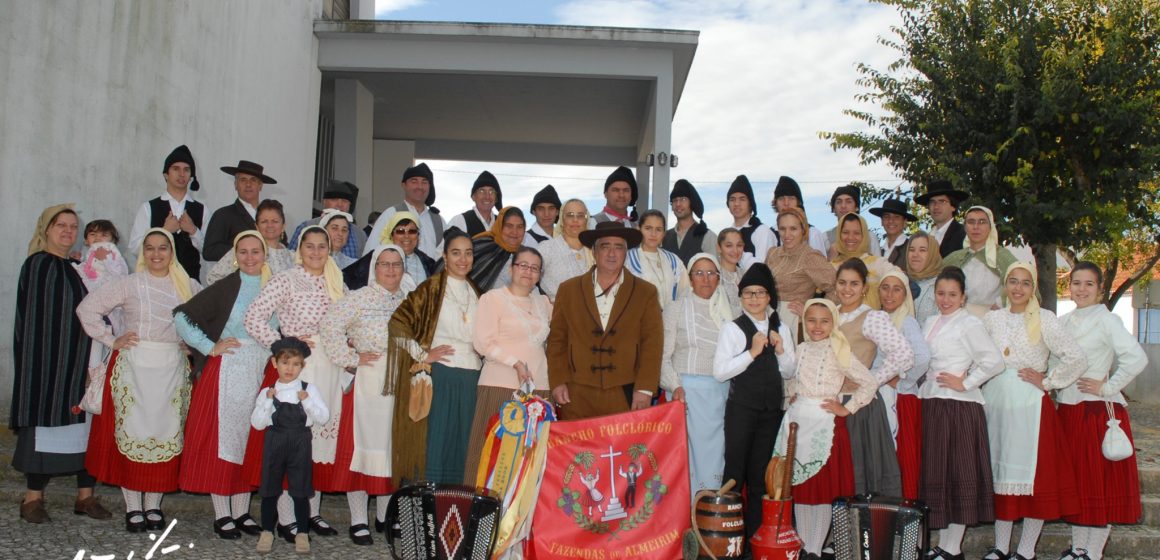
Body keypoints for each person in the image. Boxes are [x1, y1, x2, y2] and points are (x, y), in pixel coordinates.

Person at [78, 228, 201, 533]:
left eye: (163, 248)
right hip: (134, 368)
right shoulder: (129, 284)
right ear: (142, 252)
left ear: (172, 252)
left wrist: (190, 344)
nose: (157, 254)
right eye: (150, 248)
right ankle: (133, 507)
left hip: (171, 370)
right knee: (131, 436)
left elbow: (207, 320)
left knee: (165, 435)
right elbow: (87, 308)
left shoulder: (188, 286)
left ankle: (153, 506)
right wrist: (111, 339)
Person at [243, 225, 346, 540]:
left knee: (319, 444)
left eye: (322, 246)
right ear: (299, 249)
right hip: (298, 369)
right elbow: (253, 317)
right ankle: (287, 519)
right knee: (294, 442)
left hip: (328, 366)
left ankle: (311, 514)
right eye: (310, 246)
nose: (316, 252)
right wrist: (284, 346)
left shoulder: (336, 281)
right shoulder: (286, 279)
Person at [11, 205, 111, 524]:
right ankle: (32, 499)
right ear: (47, 229)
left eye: (72, 226)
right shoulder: (38, 264)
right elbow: (37, 320)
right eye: (60, 225)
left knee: (85, 430)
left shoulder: (79, 268)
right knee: (43, 428)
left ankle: (85, 497)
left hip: (82, 361)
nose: (67, 231)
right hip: (47, 365)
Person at [981, 262, 1086, 560]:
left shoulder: (1045, 319)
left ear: (1033, 287)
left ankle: (1026, 550)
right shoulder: (992, 319)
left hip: (1029, 406)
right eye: (1012, 281)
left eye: (1025, 283)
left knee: (1033, 481)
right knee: (999, 474)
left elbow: (1076, 357)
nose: (1018, 288)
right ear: (1005, 285)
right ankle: (1001, 547)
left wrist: (1049, 381)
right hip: (996, 403)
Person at [174, 231, 272, 539]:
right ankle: (223, 514)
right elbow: (182, 317)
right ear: (235, 255)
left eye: (255, 251)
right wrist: (208, 345)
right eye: (243, 252)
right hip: (230, 366)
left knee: (250, 441)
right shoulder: (227, 286)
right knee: (224, 441)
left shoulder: (276, 286)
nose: (249, 257)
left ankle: (242, 511)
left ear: (264, 254)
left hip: (263, 368)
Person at [320, 244, 414, 544]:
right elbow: (329, 326)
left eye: (396, 264)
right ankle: (358, 519)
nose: (390, 270)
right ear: (374, 268)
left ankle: (385, 516)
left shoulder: (410, 302)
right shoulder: (358, 298)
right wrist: (350, 358)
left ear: (403, 268)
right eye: (384, 264)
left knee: (392, 449)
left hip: (400, 383)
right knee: (361, 452)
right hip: (368, 384)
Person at [1057, 262, 1148, 560]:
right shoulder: (1065, 321)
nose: (1081, 289)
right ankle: (1078, 548)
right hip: (1068, 412)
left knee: (1099, 485)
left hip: (1096, 413)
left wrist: (1108, 387)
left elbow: (1136, 358)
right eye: (1076, 283)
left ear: (1099, 290)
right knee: (1078, 485)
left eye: (1089, 284)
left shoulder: (1107, 320)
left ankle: (1092, 553)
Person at [772, 298, 874, 560]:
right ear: (804, 321)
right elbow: (793, 379)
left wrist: (846, 408)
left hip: (824, 425)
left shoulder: (838, 350)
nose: (817, 326)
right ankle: (805, 545)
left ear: (833, 324)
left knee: (822, 491)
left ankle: (815, 548)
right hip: (797, 423)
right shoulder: (802, 348)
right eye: (812, 320)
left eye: (824, 321)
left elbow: (869, 382)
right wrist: (791, 395)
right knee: (802, 489)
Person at [919, 266, 1005, 560]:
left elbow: (993, 361)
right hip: (932, 403)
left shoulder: (969, 323)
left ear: (963, 296)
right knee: (938, 475)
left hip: (958, 407)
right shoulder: (930, 320)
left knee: (957, 474)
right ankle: (942, 545)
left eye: (952, 294)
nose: (945, 299)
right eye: (941, 293)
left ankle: (952, 547)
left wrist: (964, 382)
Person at [385, 230, 482, 485]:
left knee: (465, 445)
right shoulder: (431, 288)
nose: (463, 259)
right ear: (445, 256)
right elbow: (397, 323)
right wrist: (422, 354)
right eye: (456, 253)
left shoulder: (477, 291)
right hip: (442, 375)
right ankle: (431, 512)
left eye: (468, 253)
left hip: (472, 377)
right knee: (438, 442)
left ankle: (457, 509)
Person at [713, 263, 796, 547]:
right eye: (748, 293)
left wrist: (782, 350)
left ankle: (756, 540)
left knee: (762, 476)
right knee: (735, 473)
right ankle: (727, 540)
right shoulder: (733, 329)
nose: (754, 298)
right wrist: (751, 352)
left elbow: (789, 371)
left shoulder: (781, 327)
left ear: (769, 296)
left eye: (760, 292)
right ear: (741, 296)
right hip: (741, 410)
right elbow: (720, 371)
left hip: (771, 411)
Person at [547, 222, 662, 420]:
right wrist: (558, 381)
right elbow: (557, 340)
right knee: (578, 451)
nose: (612, 253)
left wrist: (644, 388)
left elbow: (652, 344)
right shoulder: (568, 290)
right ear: (593, 251)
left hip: (624, 392)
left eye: (618, 247)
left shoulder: (646, 292)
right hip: (576, 393)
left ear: (626, 253)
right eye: (605, 246)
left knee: (623, 450)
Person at [465, 246, 554, 484]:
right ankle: (485, 514)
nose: (528, 272)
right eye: (523, 265)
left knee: (531, 460)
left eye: (535, 268)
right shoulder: (492, 299)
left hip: (539, 390)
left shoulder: (544, 303)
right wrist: (515, 363)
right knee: (493, 457)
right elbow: (483, 343)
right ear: (512, 268)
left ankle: (523, 519)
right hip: (500, 386)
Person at [833, 258, 914, 497]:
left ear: (864, 288)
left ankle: (868, 533)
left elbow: (904, 354)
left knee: (861, 473)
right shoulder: (830, 314)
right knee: (839, 476)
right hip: (832, 402)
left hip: (861, 406)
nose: (847, 289)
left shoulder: (871, 318)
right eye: (842, 283)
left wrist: (872, 381)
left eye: (854, 284)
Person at [661, 253, 733, 494]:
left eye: (711, 273)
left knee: (719, 454)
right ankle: (689, 515)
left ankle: (712, 513)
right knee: (690, 457)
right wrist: (675, 386)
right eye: (699, 273)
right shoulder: (676, 308)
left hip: (722, 394)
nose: (706, 279)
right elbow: (663, 355)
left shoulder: (730, 310)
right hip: (687, 394)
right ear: (690, 278)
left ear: (719, 278)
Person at [251, 337, 329, 555]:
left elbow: (323, 417)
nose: (290, 368)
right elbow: (257, 424)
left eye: (295, 364)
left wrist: (307, 401)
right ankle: (267, 531)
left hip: (300, 442)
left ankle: (302, 533)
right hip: (274, 441)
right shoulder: (268, 390)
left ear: (302, 366)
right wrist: (267, 401)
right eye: (285, 363)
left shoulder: (309, 389)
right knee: (269, 489)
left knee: (300, 489)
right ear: (275, 363)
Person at [875, 271, 931, 501]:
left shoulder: (906, 320)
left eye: (896, 289)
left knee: (900, 459)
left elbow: (923, 356)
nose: (889, 294)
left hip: (899, 399)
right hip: (879, 395)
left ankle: (901, 517)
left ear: (905, 293)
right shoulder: (876, 317)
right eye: (885, 287)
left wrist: (903, 380)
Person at [129, 145, 204, 279]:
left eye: (186, 170)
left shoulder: (202, 209)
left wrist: (193, 231)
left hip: (191, 282)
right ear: (166, 174)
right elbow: (135, 248)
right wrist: (164, 231)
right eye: (176, 169)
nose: (181, 174)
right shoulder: (148, 207)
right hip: (155, 282)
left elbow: (207, 251)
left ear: (191, 175)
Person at [764, 207, 836, 338]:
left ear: (803, 230)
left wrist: (813, 313)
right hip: (768, 320)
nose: (787, 234)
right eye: (782, 229)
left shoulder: (810, 256)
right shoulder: (772, 253)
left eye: (793, 229)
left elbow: (836, 287)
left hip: (795, 325)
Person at [942, 206, 1018, 317]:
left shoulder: (1002, 256)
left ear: (990, 226)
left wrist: (999, 303)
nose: (976, 227)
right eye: (971, 222)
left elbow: (1022, 282)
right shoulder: (954, 258)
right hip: (958, 320)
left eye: (982, 222)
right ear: (965, 227)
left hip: (994, 319)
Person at [365, 163, 445, 258]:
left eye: (424, 182)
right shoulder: (391, 215)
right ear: (403, 185)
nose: (420, 186)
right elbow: (370, 254)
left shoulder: (438, 221)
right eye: (414, 181)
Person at [202, 160, 277, 262]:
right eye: (243, 180)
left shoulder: (272, 215)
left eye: (253, 180)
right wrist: (244, 251)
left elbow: (283, 244)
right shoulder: (223, 215)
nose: (248, 184)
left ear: (260, 185)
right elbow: (209, 251)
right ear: (235, 184)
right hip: (236, 275)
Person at [207, 199, 295, 285]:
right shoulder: (243, 251)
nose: (270, 225)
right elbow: (213, 277)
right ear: (256, 226)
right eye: (264, 221)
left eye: (275, 221)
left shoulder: (293, 257)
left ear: (283, 226)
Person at [345, 210, 438, 290]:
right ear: (391, 235)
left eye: (412, 231)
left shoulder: (429, 263)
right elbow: (345, 278)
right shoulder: (375, 257)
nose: (406, 236)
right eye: (400, 231)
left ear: (418, 236)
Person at [830, 213, 900, 309]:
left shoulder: (877, 264)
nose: (850, 237)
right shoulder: (831, 267)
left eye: (857, 233)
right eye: (845, 232)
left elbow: (901, 281)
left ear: (864, 236)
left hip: (873, 322)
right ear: (839, 234)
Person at [627, 209, 689, 310]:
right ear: (639, 229)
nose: (653, 234)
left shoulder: (674, 261)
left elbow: (685, 294)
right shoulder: (628, 259)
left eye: (658, 229)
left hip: (670, 322)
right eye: (648, 228)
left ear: (664, 233)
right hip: (639, 322)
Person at [289, 180, 367, 259]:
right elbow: (291, 260)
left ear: (350, 205)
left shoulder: (359, 235)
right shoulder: (305, 227)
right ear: (324, 202)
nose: (340, 204)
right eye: (334, 199)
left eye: (344, 201)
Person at [538, 199, 593, 301]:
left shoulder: (595, 252)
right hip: (556, 313)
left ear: (587, 220)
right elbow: (528, 278)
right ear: (562, 219)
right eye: (570, 215)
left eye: (580, 215)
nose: (575, 220)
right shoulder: (547, 248)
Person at [469, 206, 527, 291]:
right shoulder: (481, 246)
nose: (514, 232)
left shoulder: (525, 255)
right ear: (500, 226)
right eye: (509, 226)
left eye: (519, 227)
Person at [769, 175, 829, 256]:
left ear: (798, 202)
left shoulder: (813, 234)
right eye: (781, 198)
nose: (786, 203)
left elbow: (821, 266)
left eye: (791, 198)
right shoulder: (770, 234)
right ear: (775, 203)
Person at [663, 179, 717, 264]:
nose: (678, 204)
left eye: (683, 199)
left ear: (692, 203)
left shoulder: (707, 236)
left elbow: (714, 270)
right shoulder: (665, 237)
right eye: (674, 200)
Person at [914, 180, 969, 258]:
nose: (936, 206)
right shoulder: (926, 238)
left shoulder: (965, 234)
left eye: (942, 201)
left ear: (953, 206)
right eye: (932, 202)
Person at [824, 184, 881, 258]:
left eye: (848, 201)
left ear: (857, 207)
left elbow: (879, 266)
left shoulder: (870, 237)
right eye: (839, 202)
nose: (843, 206)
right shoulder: (825, 238)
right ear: (833, 208)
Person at [725, 174, 773, 260]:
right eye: (732, 199)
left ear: (750, 204)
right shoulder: (726, 234)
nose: (736, 204)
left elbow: (761, 268)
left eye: (742, 199)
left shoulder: (761, 232)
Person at [904, 231, 944, 325]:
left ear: (932, 254)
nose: (915, 254)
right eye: (912, 249)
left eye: (922, 250)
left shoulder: (942, 286)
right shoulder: (901, 281)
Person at [447, 171, 501, 236]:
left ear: (496, 198)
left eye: (491, 191)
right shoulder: (460, 222)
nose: (487, 196)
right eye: (481, 191)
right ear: (473, 196)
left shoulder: (502, 224)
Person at [869, 197, 918, 268]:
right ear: (881, 221)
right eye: (886, 216)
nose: (891, 221)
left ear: (904, 222)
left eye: (896, 217)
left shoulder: (911, 248)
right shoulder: (879, 252)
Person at [715, 228, 749, 315]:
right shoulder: (714, 277)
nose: (735, 251)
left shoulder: (747, 276)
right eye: (729, 246)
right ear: (719, 248)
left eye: (739, 245)